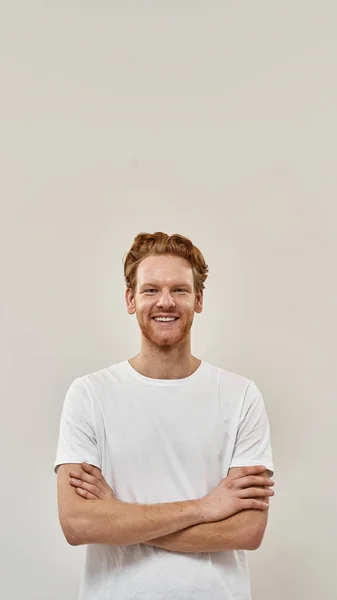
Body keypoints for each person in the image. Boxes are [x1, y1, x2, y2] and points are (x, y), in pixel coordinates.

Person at [54, 231, 275, 600]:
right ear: (130, 299)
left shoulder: (241, 396)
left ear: (199, 299)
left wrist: (119, 517)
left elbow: (246, 531)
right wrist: (204, 508)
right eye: (151, 290)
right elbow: (78, 523)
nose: (166, 302)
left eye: (180, 290)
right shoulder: (89, 394)